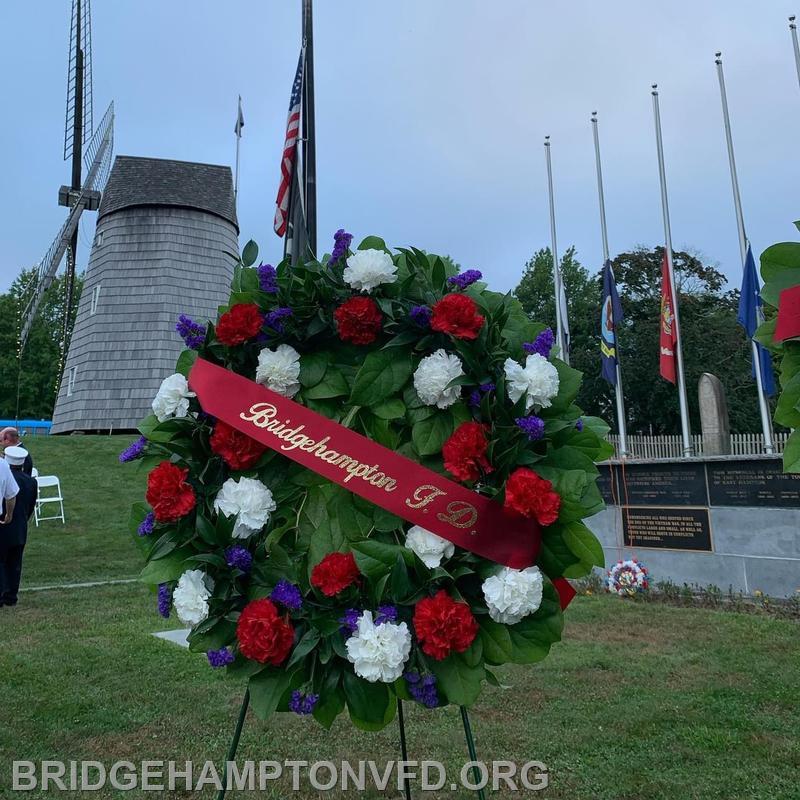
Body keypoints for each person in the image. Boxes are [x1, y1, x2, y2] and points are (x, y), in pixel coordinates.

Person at [0, 446, 37, 607]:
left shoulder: (5, 475)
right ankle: (11, 596)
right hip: (20, 526)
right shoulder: (31, 482)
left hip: (3, 524)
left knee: (1, 561)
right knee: (15, 563)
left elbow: (7, 497)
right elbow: (31, 505)